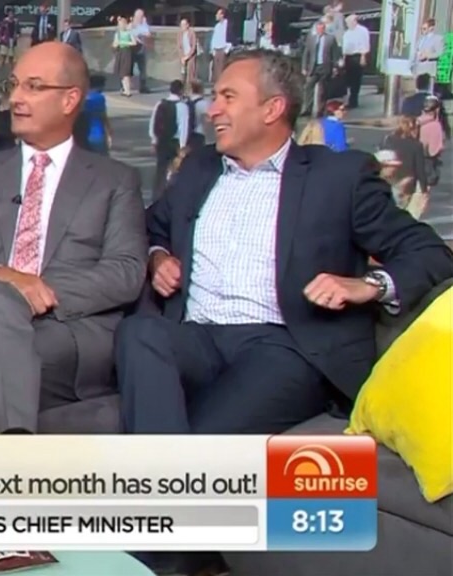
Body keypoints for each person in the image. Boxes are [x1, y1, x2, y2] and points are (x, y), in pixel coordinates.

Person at [116, 47, 453, 576]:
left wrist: (368, 285)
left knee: (201, 448)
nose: (213, 109)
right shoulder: (201, 168)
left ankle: (151, 557)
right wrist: (159, 256)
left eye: (228, 97)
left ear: (272, 109)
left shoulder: (338, 177)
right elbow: (152, 225)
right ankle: (170, 546)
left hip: (285, 346)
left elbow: (428, 252)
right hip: (197, 336)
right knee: (139, 333)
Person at [0, 42, 147, 434]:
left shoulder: (115, 181)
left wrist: (38, 291)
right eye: (13, 85)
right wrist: (1, 277)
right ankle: (14, 452)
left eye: (33, 86)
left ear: (70, 100)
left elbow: (125, 271)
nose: (15, 98)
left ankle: (0, 460)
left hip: (64, 332)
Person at [301, 20, 342, 117]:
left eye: (322, 28)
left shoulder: (330, 39)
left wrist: (335, 67)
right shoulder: (311, 38)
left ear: (324, 29)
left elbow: (335, 54)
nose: (320, 30)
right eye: (318, 28)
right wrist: (304, 67)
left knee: (322, 90)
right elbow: (306, 53)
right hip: (313, 67)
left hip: (325, 66)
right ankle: (307, 109)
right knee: (308, 86)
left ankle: (321, 110)